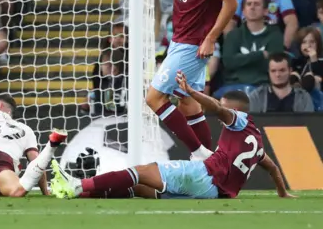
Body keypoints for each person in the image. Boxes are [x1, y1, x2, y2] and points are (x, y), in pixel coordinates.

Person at [50, 73, 294, 200]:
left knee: (141, 171)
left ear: (238, 110)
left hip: (205, 176)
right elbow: (272, 169)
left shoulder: (239, 120)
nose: (223, 111)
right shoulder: (258, 144)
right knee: (142, 188)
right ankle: (84, 193)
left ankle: (76, 185)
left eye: (227, 107)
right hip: (213, 194)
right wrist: (282, 192)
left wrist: (191, 92)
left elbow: (218, 109)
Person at [127, 0, 237, 159]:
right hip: (179, 39)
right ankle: (212, 162)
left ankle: (200, 154)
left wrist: (210, 38)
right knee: (187, 101)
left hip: (194, 44)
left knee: (154, 98)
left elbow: (230, 3)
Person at [216, 0, 283, 98]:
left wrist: (241, 60)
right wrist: (260, 55)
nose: (252, 7)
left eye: (256, 4)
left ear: (266, 11)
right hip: (233, 87)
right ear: (243, 11)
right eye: (249, 4)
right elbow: (229, 62)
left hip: (264, 87)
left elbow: (274, 64)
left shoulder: (275, 35)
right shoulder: (234, 35)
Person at [248, 52, 314, 112]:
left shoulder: (303, 98)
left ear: (290, 71)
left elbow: (309, 124)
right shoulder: (257, 97)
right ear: (269, 72)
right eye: (273, 71)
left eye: (282, 70)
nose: (277, 75)